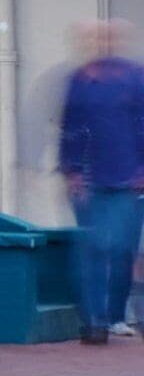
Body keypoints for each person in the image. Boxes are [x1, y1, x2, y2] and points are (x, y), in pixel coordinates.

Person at [55, 20, 144, 344]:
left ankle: (116, 315)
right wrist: (71, 169)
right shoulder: (79, 80)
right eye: (93, 37)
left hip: (127, 180)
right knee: (92, 247)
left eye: (106, 36)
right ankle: (94, 321)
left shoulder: (135, 78)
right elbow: (69, 126)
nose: (100, 42)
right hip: (88, 180)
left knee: (122, 247)